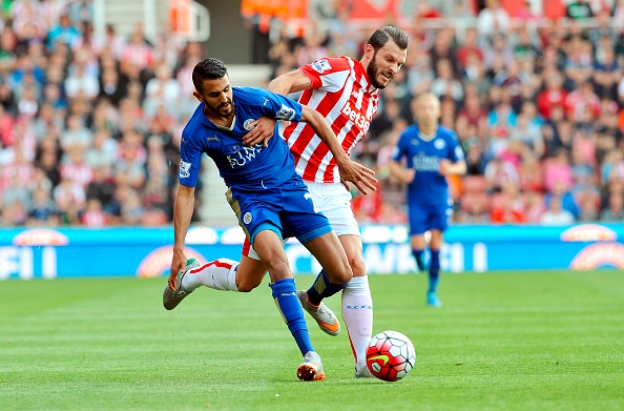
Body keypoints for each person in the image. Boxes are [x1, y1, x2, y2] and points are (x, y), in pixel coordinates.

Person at [164, 58, 376, 381]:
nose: (225, 99)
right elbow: (186, 192)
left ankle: (310, 298)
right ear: (199, 97)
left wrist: (342, 162)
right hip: (253, 201)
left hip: (291, 190)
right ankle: (310, 355)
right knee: (279, 265)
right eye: (215, 95)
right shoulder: (195, 133)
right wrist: (178, 247)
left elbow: (312, 115)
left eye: (226, 89)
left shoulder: (253, 99)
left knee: (342, 272)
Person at [241, 25, 409, 378]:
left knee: (354, 266)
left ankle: (363, 362)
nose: (394, 68)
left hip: (332, 187)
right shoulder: (340, 70)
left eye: (400, 64)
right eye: (390, 58)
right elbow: (282, 83)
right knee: (247, 280)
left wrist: (342, 168)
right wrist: (271, 115)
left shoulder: (373, 100)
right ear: (369, 51)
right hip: (288, 182)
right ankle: (193, 277)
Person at [389, 93, 467, 307]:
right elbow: (393, 163)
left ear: (439, 111)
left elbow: (461, 166)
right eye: (423, 107)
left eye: (431, 107)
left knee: (436, 244)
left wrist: (450, 169)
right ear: (417, 111)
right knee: (418, 247)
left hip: (439, 199)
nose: (427, 111)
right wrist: (402, 175)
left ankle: (432, 291)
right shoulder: (407, 136)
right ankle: (418, 259)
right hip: (416, 200)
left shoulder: (448, 137)